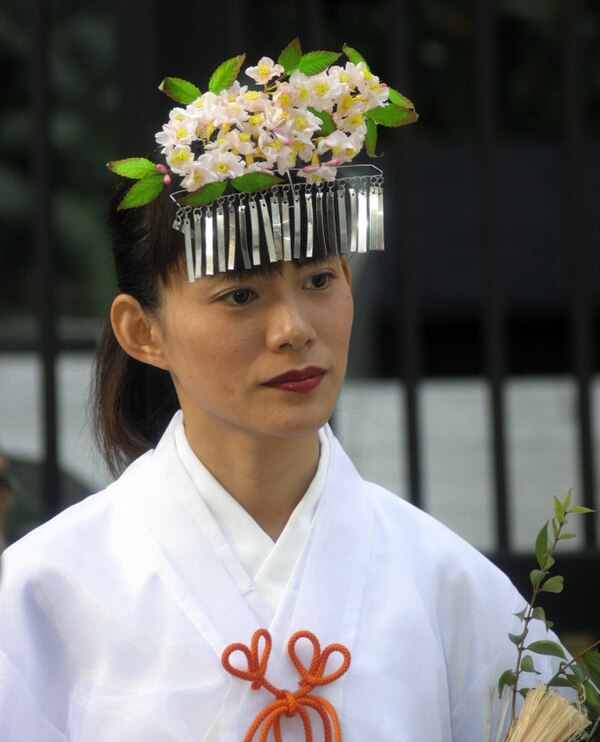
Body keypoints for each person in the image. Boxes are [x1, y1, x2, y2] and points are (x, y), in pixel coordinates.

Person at [0, 42, 563, 741]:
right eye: (239, 295)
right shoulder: (43, 591)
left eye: (320, 280)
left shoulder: (452, 587)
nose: (294, 330)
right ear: (142, 332)